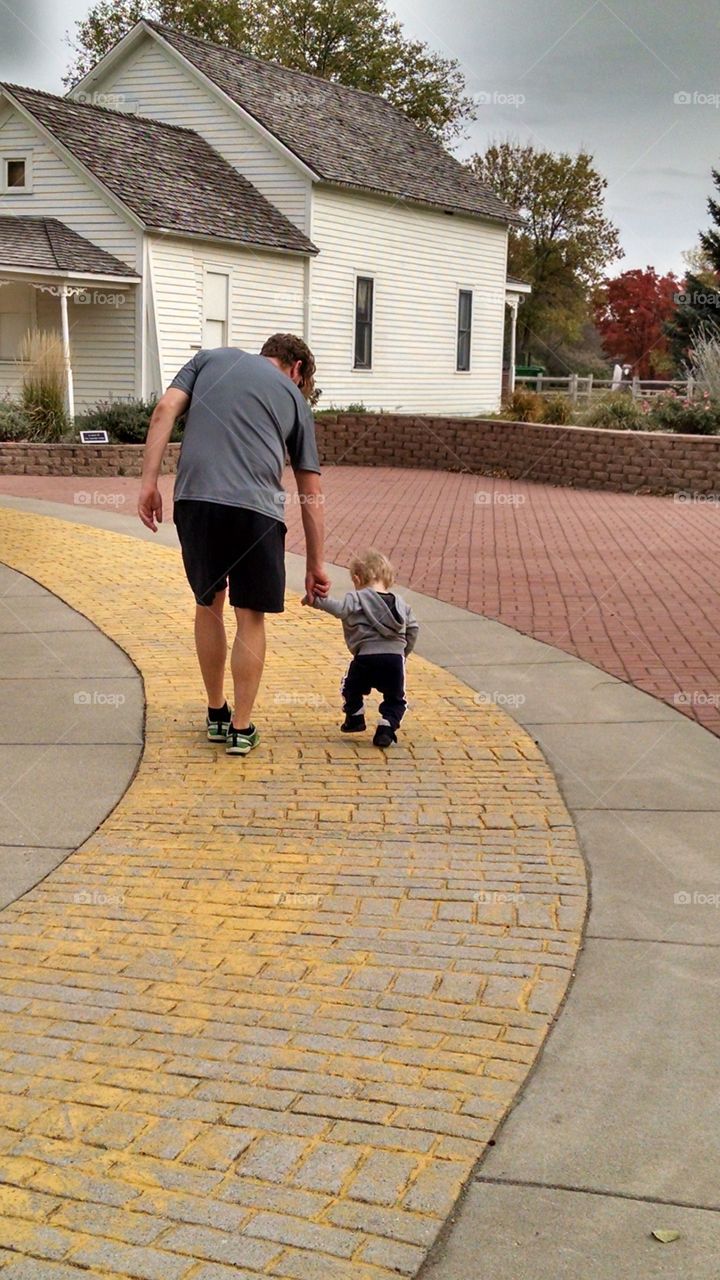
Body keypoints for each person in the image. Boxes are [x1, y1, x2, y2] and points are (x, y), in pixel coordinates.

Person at [138, 333, 330, 756]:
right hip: (256, 513)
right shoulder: (295, 400)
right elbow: (309, 489)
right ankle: (241, 729)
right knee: (251, 618)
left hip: (196, 501)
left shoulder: (207, 360)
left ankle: (215, 713)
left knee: (209, 603)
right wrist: (315, 563)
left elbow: (163, 410)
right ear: (297, 370)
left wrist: (149, 483)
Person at [304, 549, 418, 748]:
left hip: (365, 657)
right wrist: (403, 653)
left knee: (351, 687)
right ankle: (386, 727)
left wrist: (316, 601)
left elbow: (339, 609)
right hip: (394, 660)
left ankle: (355, 716)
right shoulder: (402, 604)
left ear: (357, 578)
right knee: (396, 698)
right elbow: (413, 629)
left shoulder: (356, 598)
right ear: (388, 577)